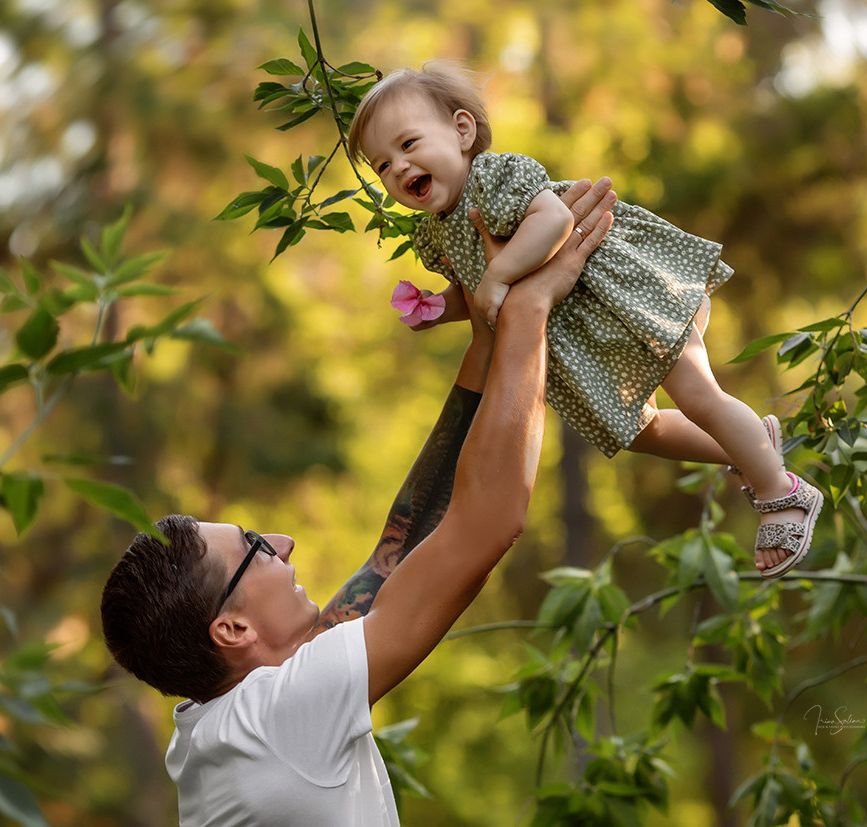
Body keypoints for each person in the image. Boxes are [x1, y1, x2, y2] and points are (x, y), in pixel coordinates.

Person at [100, 179, 619, 826]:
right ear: (232, 629)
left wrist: (486, 340)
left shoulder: (224, 716)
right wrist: (532, 305)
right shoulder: (279, 719)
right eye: (257, 548)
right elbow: (491, 520)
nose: (284, 542)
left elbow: (394, 553)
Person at [347, 62, 822, 579]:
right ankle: (753, 446)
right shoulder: (438, 232)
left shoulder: (493, 176)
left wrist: (498, 274)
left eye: (409, 144)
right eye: (382, 165)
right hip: (589, 338)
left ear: (462, 131)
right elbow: (477, 291)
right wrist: (441, 308)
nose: (397, 167)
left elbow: (553, 220)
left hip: (626, 300)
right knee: (643, 430)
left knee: (698, 396)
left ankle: (782, 489)